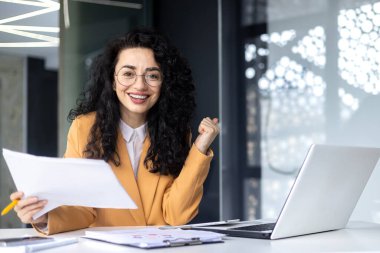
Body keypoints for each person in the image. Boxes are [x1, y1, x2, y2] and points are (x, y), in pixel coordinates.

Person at [9, 28, 219, 235]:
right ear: (112, 80)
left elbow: (176, 214)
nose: (140, 85)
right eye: (128, 73)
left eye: (152, 76)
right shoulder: (85, 128)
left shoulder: (175, 132)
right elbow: (82, 209)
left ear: (165, 83)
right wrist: (45, 217)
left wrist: (200, 148)